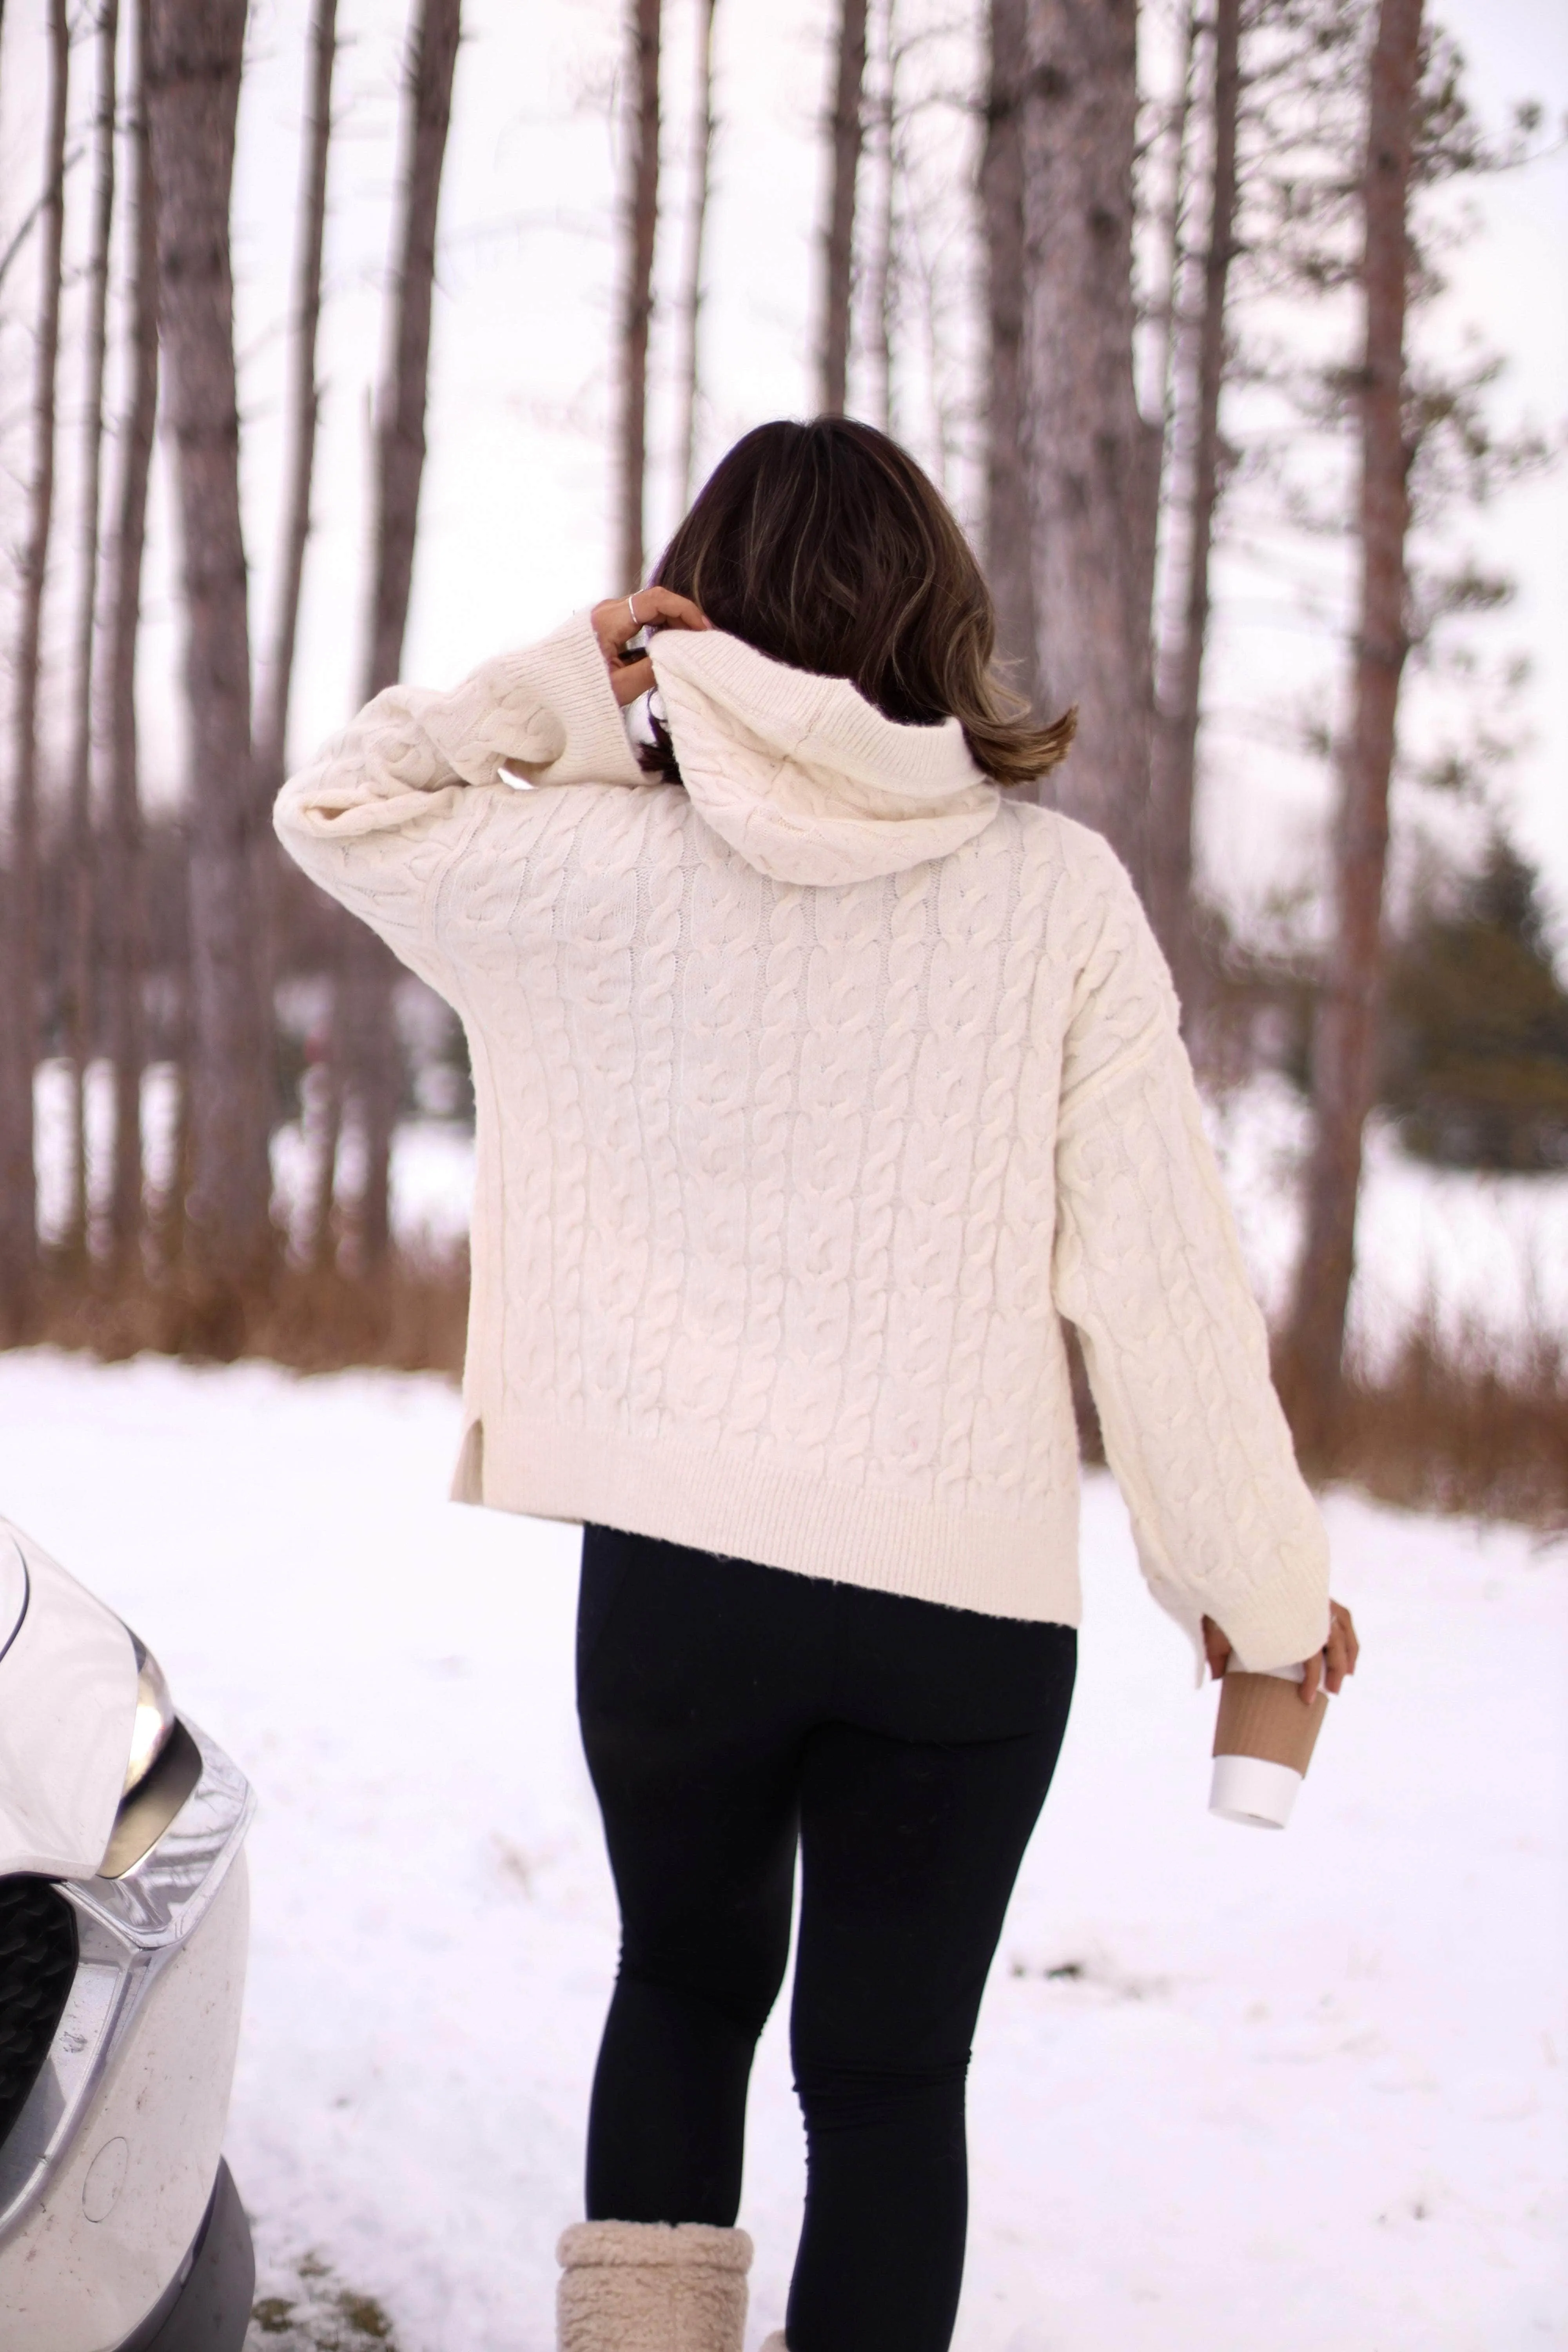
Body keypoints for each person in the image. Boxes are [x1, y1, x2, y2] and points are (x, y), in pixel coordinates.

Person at [274, 417, 1359, 2352]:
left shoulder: (580, 865)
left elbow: (340, 804)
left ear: (700, 601)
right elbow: (1166, 1290)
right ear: (939, 607)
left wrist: (576, 674)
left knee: (683, 1996)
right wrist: (1261, 1604)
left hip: (683, 1584)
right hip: (959, 1612)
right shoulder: (1058, 896)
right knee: (885, 2091)